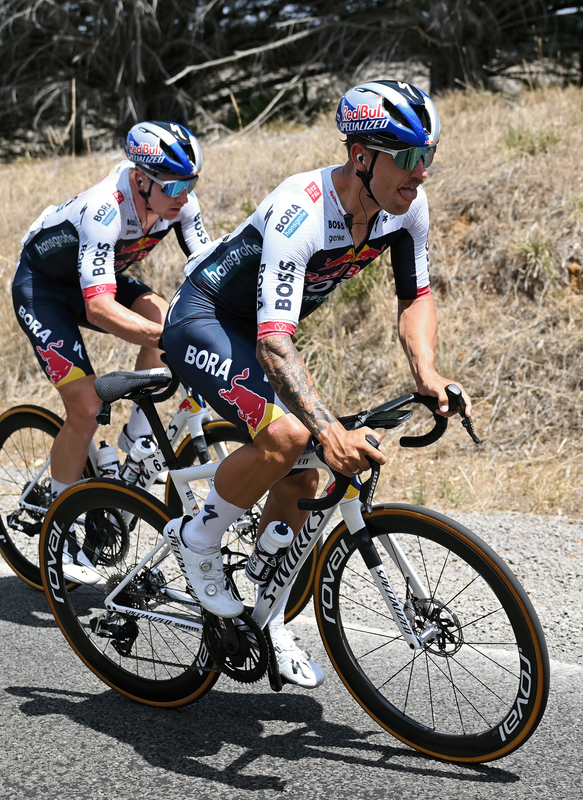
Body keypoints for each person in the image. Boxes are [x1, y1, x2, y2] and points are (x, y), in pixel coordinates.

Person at [160, 81, 470, 687]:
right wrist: (327, 430)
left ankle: (268, 612)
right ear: (363, 158)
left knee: (301, 476)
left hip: (261, 333)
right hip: (206, 321)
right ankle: (196, 538)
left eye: (428, 156)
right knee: (292, 436)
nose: (422, 172)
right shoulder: (302, 210)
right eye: (408, 158)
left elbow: (417, 298)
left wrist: (426, 373)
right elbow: (274, 343)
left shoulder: (405, 206)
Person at [12, 121, 211, 583]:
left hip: (96, 275)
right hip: (43, 289)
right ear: (141, 180)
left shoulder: (179, 201)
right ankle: (56, 531)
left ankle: (137, 448)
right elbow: (99, 308)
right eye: (174, 185)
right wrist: (168, 341)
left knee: (166, 317)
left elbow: (205, 270)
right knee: (86, 405)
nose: (184, 195)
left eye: (192, 182)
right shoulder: (105, 209)